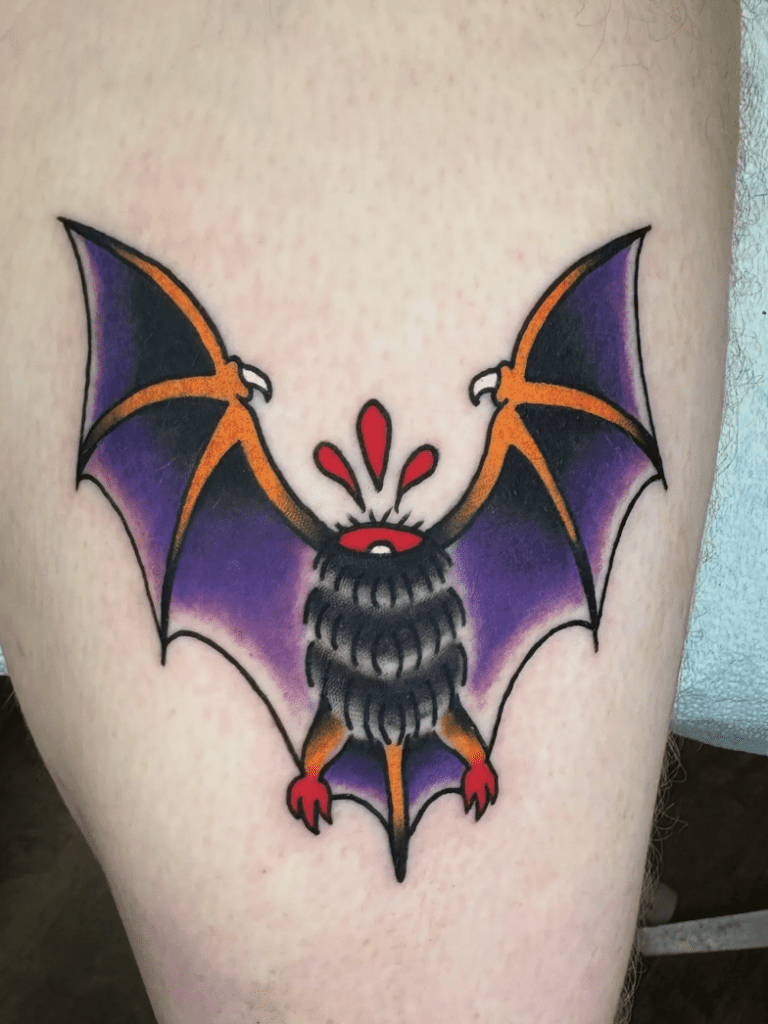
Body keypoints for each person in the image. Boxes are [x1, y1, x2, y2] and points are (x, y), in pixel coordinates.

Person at [0, 2, 740, 1021]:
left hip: (419, 719)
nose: (381, 513)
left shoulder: (486, 523)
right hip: (355, 717)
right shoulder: (280, 540)